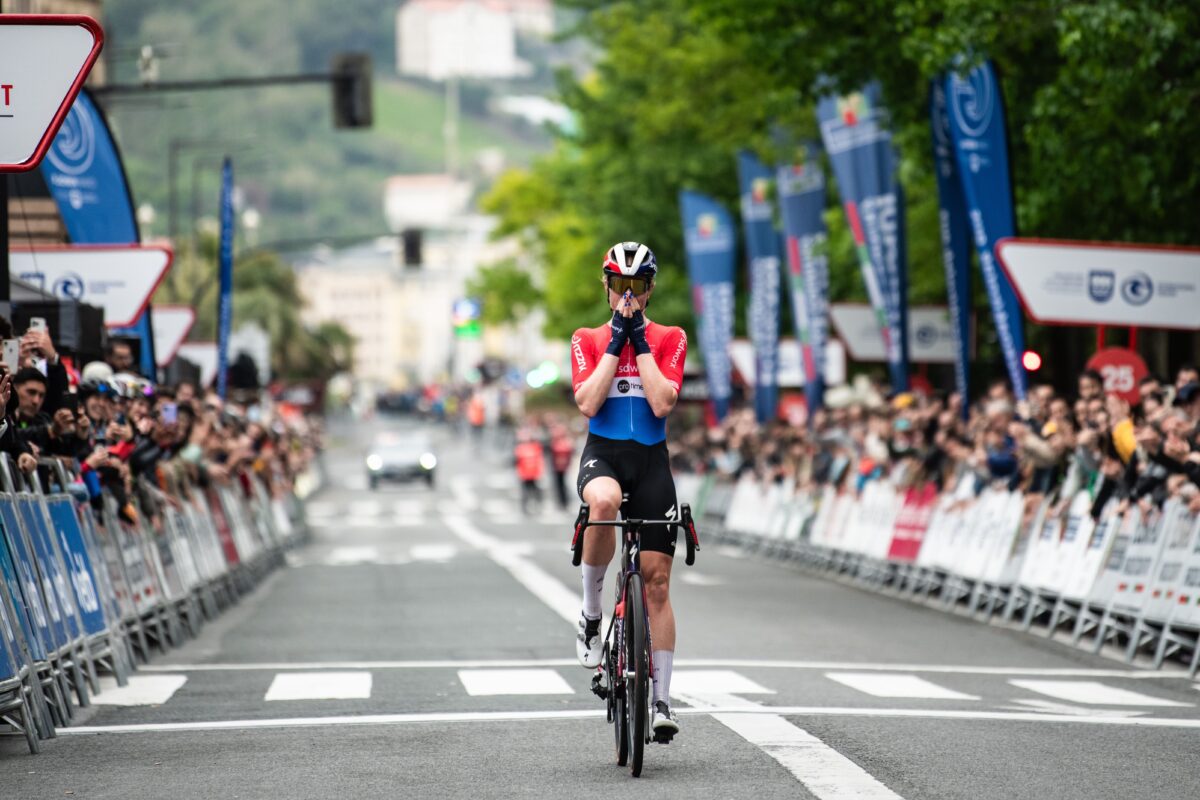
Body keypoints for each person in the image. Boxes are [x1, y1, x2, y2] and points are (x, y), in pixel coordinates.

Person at [569, 241, 687, 741]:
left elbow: (662, 404)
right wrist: (615, 343)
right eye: (620, 285)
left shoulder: (670, 337)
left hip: (651, 461)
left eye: (637, 287)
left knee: (657, 583)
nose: (628, 297)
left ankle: (661, 701)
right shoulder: (587, 337)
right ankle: (592, 615)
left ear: (650, 288)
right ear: (607, 285)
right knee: (603, 503)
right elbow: (588, 402)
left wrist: (640, 343)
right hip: (606, 455)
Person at [513, 428, 545, 514]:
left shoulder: (536, 447)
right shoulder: (519, 448)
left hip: (534, 474)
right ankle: (525, 508)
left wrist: (540, 471)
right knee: (525, 493)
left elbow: (539, 460)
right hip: (524, 474)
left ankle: (537, 506)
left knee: (536, 492)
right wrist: (519, 472)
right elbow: (517, 462)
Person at [548, 425, 575, 509]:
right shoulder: (555, 442)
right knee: (558, 485)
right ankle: (561, 503)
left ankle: (565, 502)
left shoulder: (565, 442)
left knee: (563, 485)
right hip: (557, 467)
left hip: (563, 467)